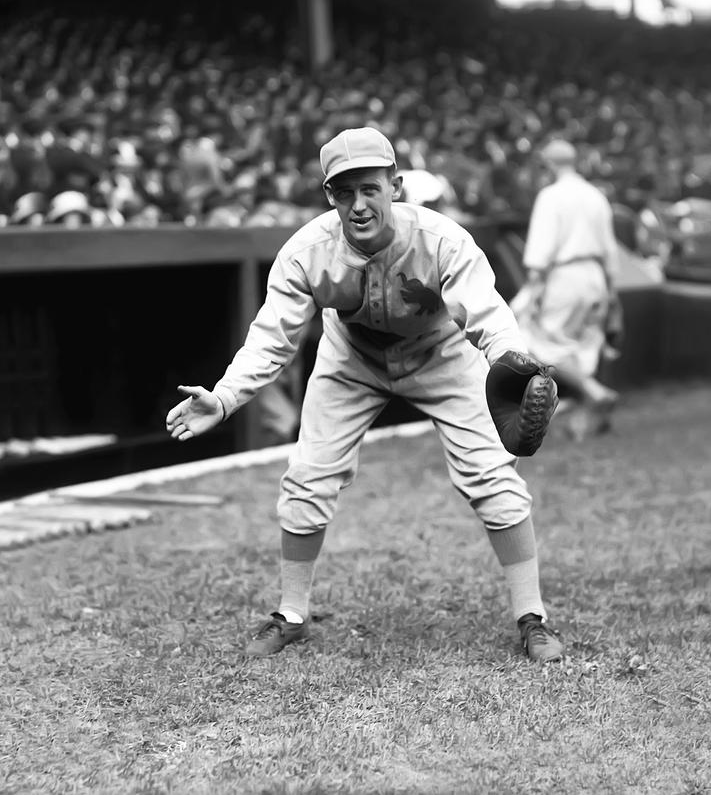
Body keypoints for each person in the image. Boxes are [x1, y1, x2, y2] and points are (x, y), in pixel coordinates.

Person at [166, 127, 564, 664]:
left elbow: (488, 315)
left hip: (441, 354)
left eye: (369, 189)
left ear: (394, 186)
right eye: (343, 192)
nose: (358, 204)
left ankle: (532, 617)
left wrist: (511, 367)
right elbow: (271, 339)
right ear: (329, 196)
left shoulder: (443, 240)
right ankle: (291, 614)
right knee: (308, 475)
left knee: (491, 474)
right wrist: (225, 397)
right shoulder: (306, 253)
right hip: (352, 358)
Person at [512, 139, 621, 439]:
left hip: (564, 276)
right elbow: (611, 249)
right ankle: (585, 421)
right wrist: (611, 291)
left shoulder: (551, 196)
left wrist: (532, 291)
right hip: (595, 276)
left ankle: (593, 391)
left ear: (547, 165)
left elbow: (540, 251)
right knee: (583, 345)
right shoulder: (595, 194)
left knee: (535, 342)